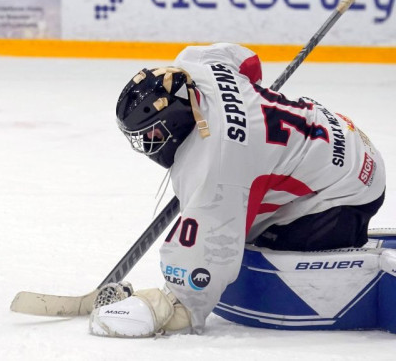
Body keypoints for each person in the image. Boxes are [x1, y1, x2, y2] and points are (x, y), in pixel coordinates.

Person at [90, 43, 388, 337]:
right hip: (345, 136)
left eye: (152, 134)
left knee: (242, 232)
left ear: (178, 119)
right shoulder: (198, 64)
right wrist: (243, 104)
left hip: (346, 190)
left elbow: (207, 257)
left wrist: (170, 305)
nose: (147, 144)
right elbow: (246, 61)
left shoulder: (216, 164)